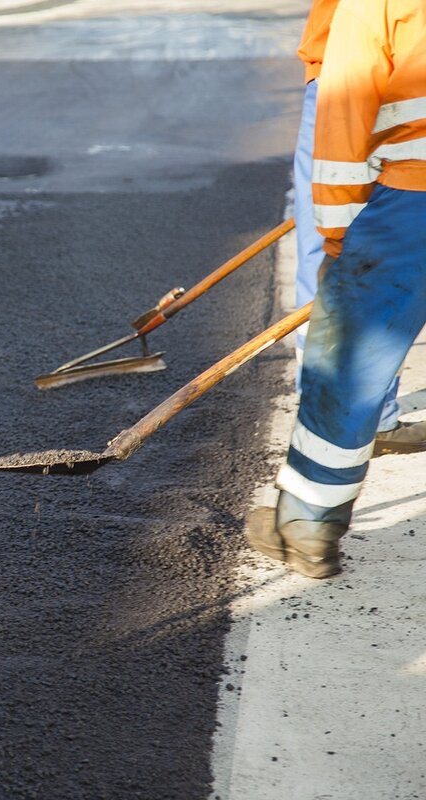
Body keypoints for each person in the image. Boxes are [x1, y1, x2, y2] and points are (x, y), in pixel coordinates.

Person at [246, 0, 426, 578]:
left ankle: (307, 522)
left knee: (350, 351)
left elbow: (345, 115)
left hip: (413, 197)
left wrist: (335, 240)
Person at [293, 0, 426, 456]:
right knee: (340, 249)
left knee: (347, 245)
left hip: (374, 68)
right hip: (354, 72)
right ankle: (337, 418)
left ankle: (348, 414)